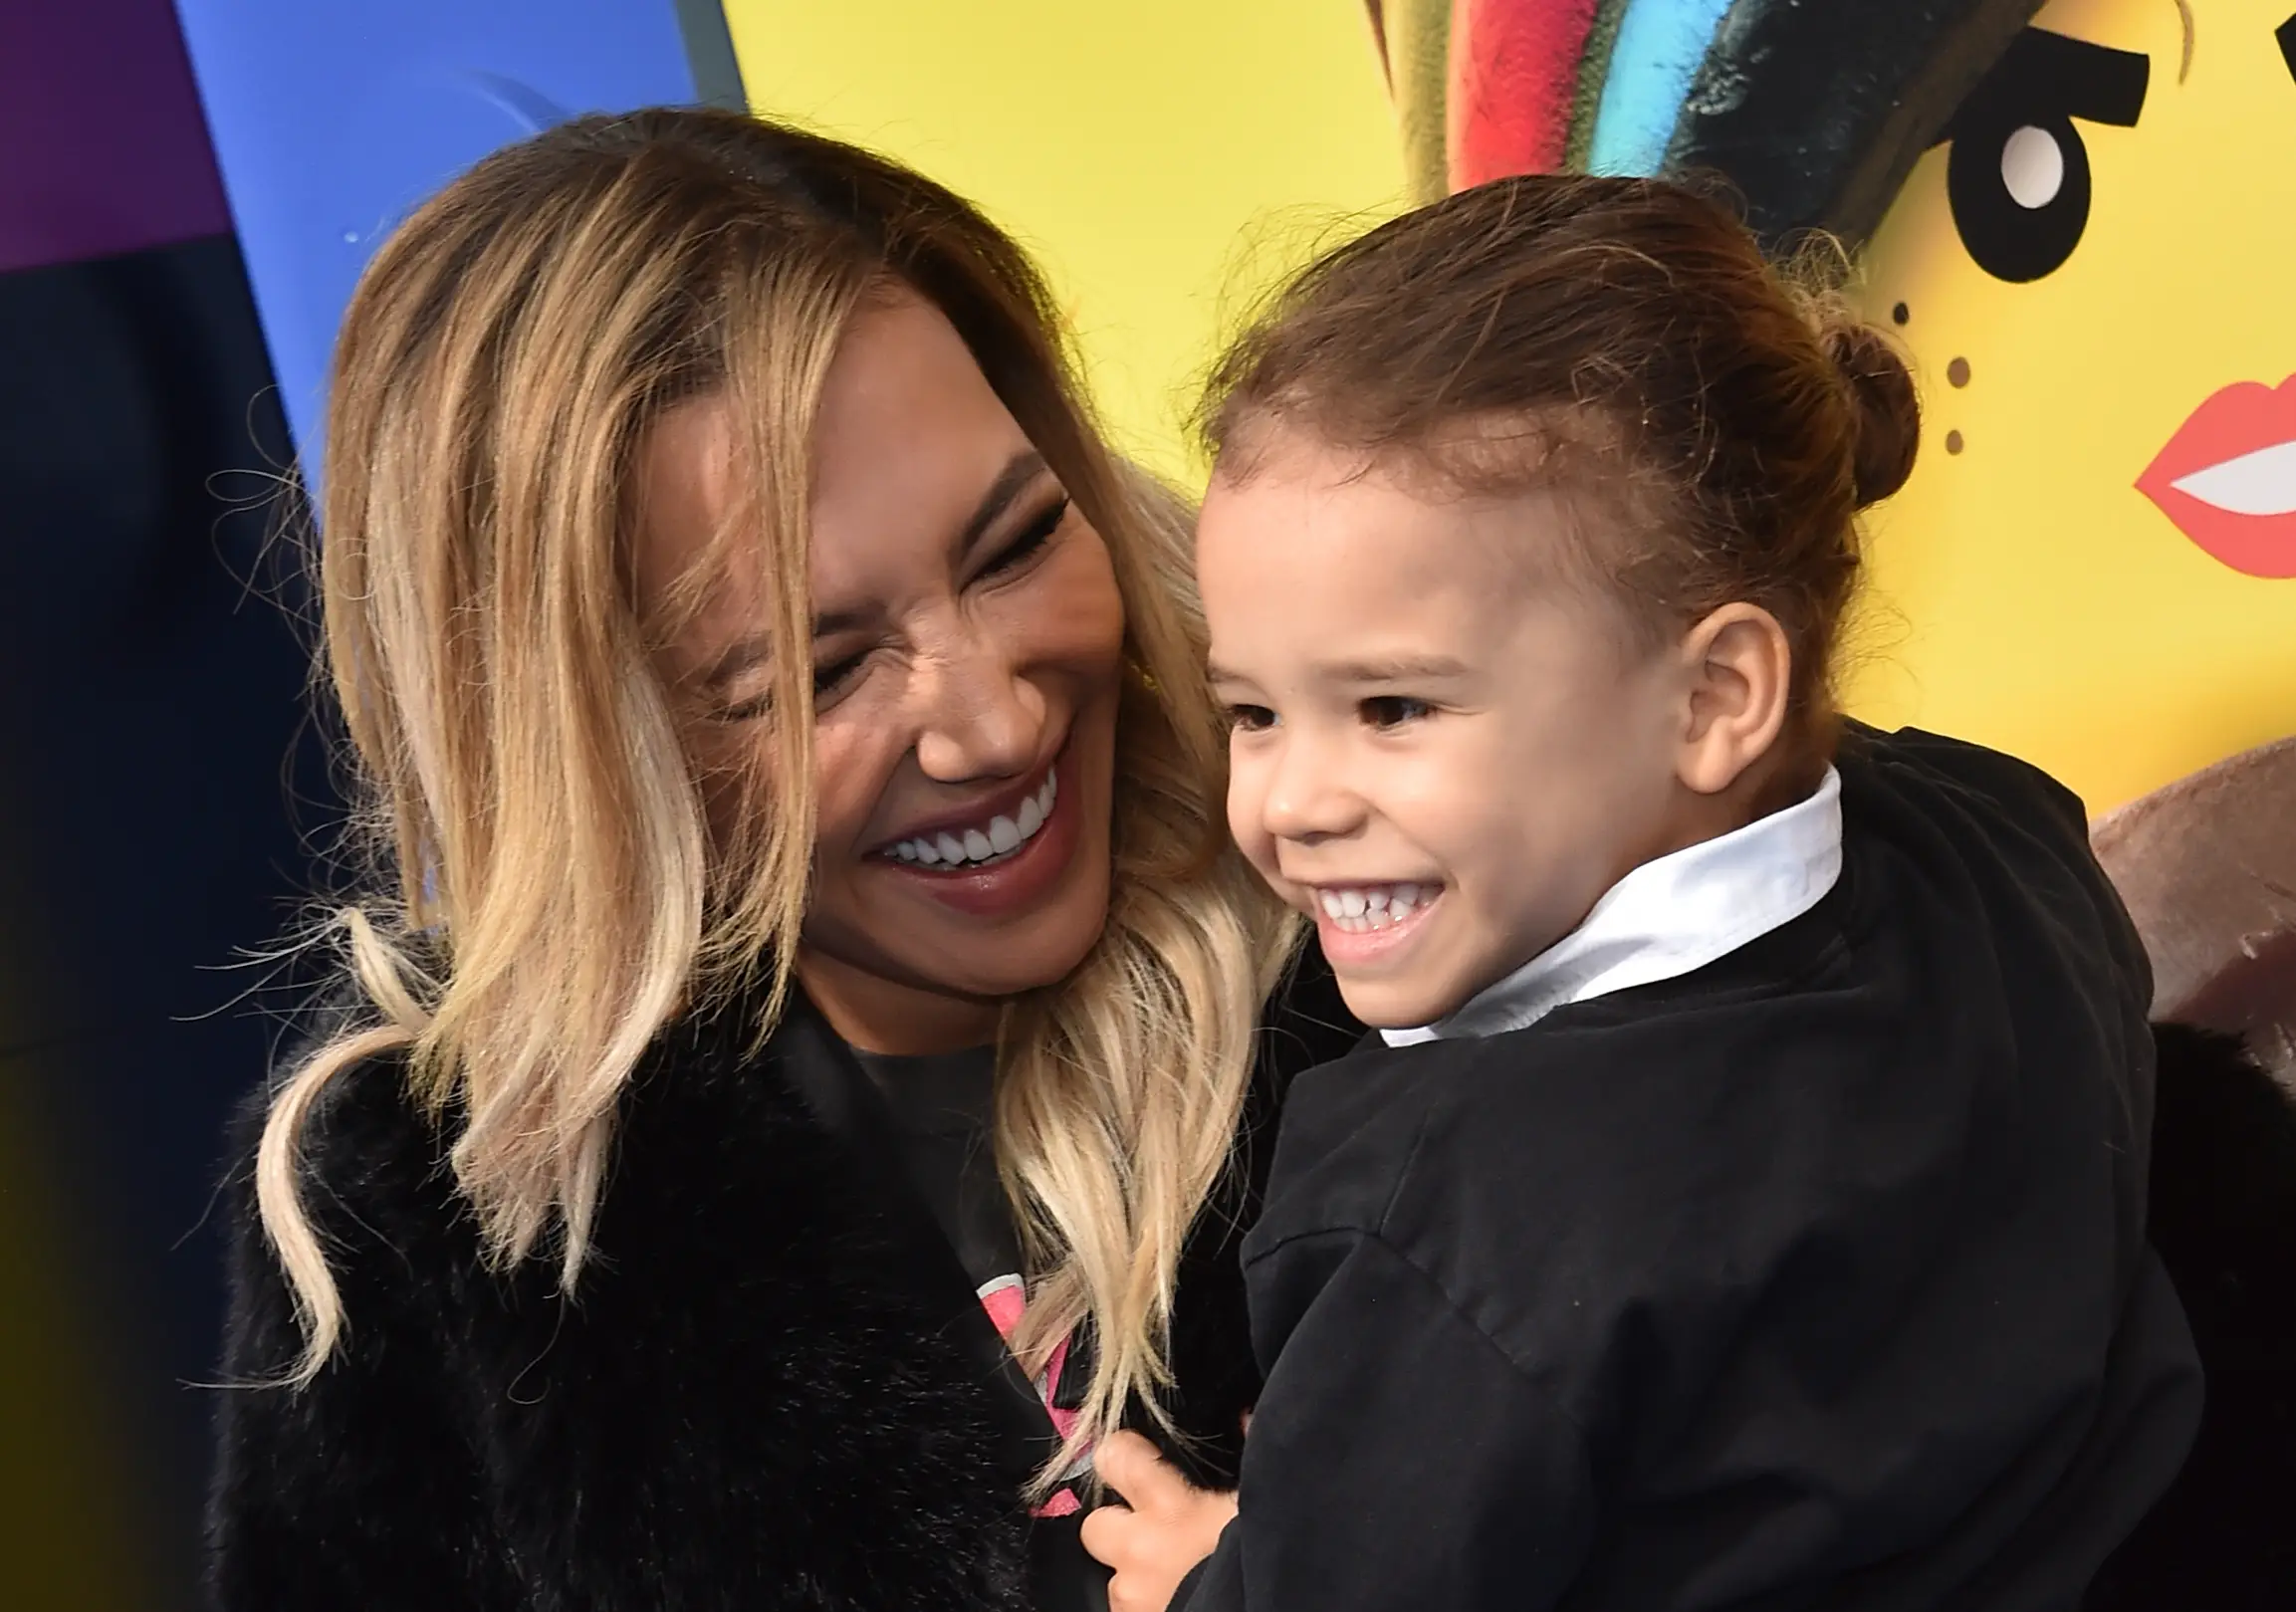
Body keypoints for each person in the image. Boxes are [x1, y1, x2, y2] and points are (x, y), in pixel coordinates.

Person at [204, 107, 1357, 1612]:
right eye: (814, 675)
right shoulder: (419, 1205)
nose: (994, 718)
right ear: (592, 760)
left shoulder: (1406, 906)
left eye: (1013, 547)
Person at [1078, 174, 2202, 1611]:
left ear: (1713, 695)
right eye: (1252, 713)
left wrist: (1204, 1580)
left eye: (1394, 707)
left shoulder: (1450, 1226)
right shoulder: (2002, 828)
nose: (1292, 804)